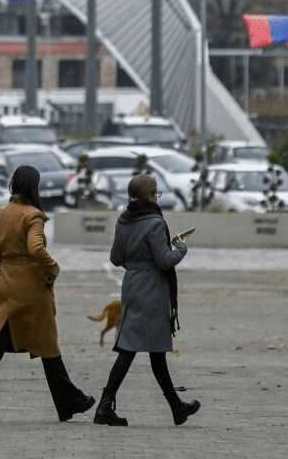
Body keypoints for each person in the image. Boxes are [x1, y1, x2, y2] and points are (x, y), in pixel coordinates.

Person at [0, 165, 94, 424]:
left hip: (5, 285)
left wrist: (10, 262)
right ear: (34, 187)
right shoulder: (34, 215)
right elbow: (35, 247)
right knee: (47, 345)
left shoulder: (0, 214)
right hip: (32, 289)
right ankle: (69, 402)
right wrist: (53, 267)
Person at [95, 173, 199, 427]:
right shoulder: (154, 222)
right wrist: (180, 246)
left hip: (132, 286)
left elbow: (116, 259)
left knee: (149, 350)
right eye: (156, 194)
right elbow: (165, 260)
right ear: (150, 196)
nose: (157, 198)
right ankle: (104, 406)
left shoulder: (124, 220)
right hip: (152, 289)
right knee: (139, 349)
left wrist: (136, 261)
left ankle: (176, 407)